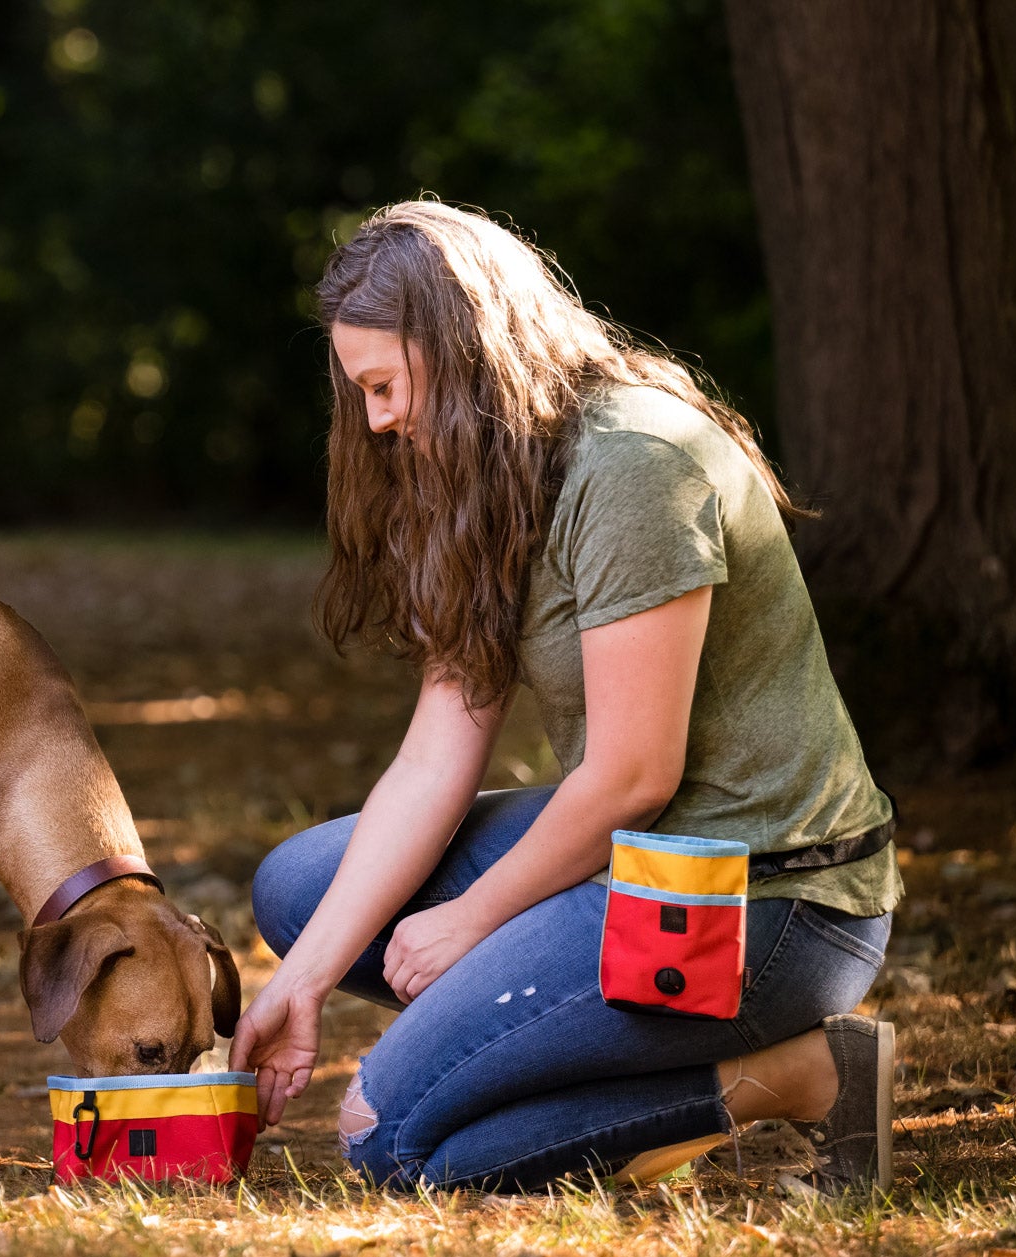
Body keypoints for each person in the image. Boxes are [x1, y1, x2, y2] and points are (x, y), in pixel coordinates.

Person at [229, 201, 901, 1194]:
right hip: (643, 855)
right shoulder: (490, 475)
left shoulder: (633, 462)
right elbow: (433, 756)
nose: (372, 420)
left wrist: (473, 920)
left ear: (461, 353)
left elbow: (633, 773)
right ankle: (566, 1045)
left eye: (381, 386)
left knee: (386, 1139)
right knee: (301, 890)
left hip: (767, 894)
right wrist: (300, 980)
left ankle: (802, 1071)